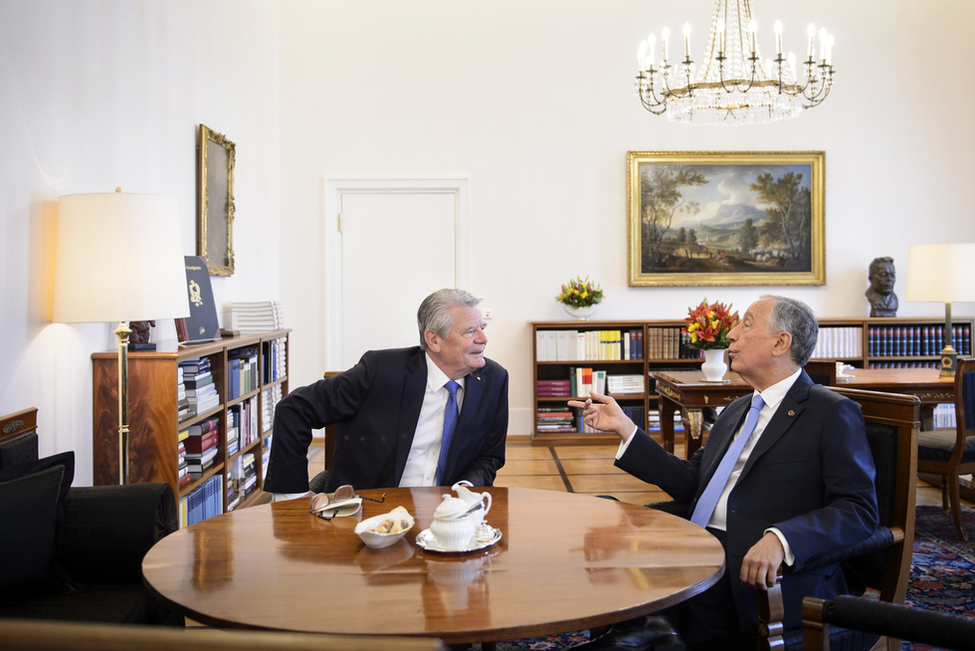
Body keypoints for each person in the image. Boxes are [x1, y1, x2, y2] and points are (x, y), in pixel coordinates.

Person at [570, 295, 878, 649]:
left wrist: (782, 538)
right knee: (607, 527)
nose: (730, 335)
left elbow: (858, 510)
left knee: (640, 601)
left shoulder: (830, 413)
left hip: (755, 567)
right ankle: (644, 631)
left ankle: (648, 632)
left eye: (746, 324)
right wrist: (627, 429)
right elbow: (693, 482)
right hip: (696, 548)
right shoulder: (735, 410)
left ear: (781, 342)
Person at [264, 288, 508, 498]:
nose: (483, 338)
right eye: (470, 331)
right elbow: (295, 409)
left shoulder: (493, 380)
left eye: (482, 328)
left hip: (447, 516)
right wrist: (292, 496)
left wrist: (465, 488)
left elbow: (489, 457)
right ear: (434, 340)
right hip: (371, 511)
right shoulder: (380, 372)